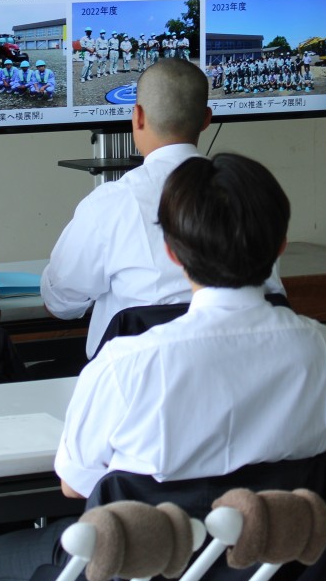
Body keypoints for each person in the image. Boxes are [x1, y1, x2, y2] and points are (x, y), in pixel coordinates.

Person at [0, 153, 326, 581]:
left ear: (172, 252)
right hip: (280, 577)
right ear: (282, 244)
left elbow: (75, 485)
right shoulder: (325, 351)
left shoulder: (126, 364)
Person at [41, 58, 284, 357]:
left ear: (137, 116)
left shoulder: (111, 202)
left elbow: (61, 304)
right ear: (207, 118)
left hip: (136, 385)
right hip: (255, 370)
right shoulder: (249, 193)